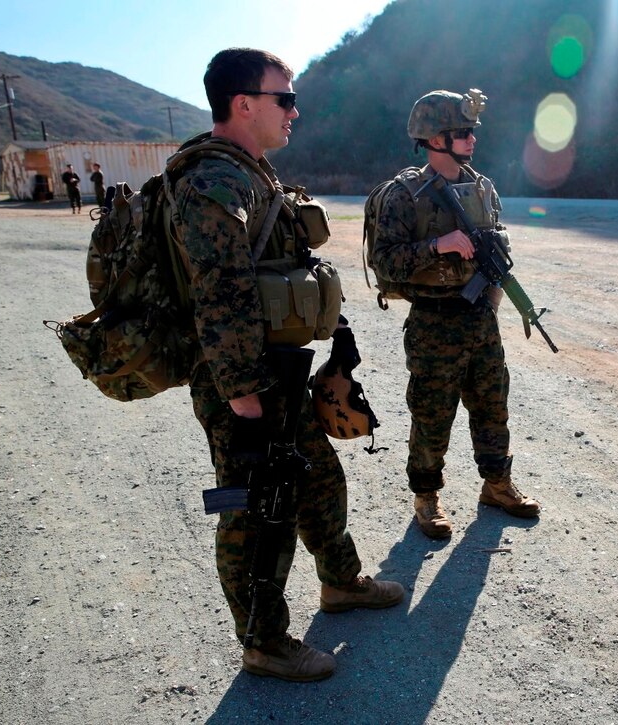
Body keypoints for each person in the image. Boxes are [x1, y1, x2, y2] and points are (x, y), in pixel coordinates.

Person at [172, 47, 403, 683]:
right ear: (243, 104)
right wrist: (245, 399)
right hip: (243, 383)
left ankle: (340, 581)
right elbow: (220, 294)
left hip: (281, 373)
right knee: (253, 508)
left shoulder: (254, 175)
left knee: (319, 478)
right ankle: (263, 641)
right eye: (286, 98)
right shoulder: (212, 182)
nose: (295, 110)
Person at [370, 89, 541, 539]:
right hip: (433, 321)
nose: (470, 140)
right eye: (460, 132)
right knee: (432, 413)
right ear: (432, 139)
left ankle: (497, 485)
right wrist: (435, 246)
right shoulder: (404, 195)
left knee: (492, 405)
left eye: (471, 132)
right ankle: (427, 498)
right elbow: (383, 261)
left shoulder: (482, 187)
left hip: (480, 315)